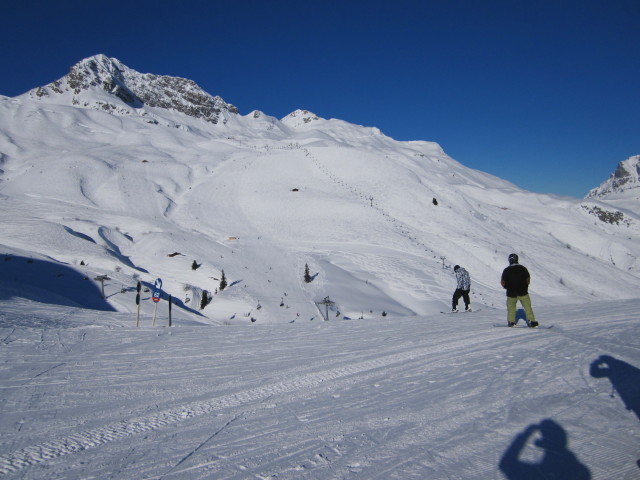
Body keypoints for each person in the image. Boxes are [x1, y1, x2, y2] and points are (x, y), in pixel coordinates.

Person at [500, 253, 538, 327]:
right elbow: (528, 279)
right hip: (523, 292)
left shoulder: (506, 270)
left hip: (511, 293)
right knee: (527, 307)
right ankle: (531, 321)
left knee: (511, 308)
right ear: (517, 260)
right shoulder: (523, 268)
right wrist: (525, 286)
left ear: (509, 260)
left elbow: (503, 282)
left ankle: (511, 322)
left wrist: (508, 287)